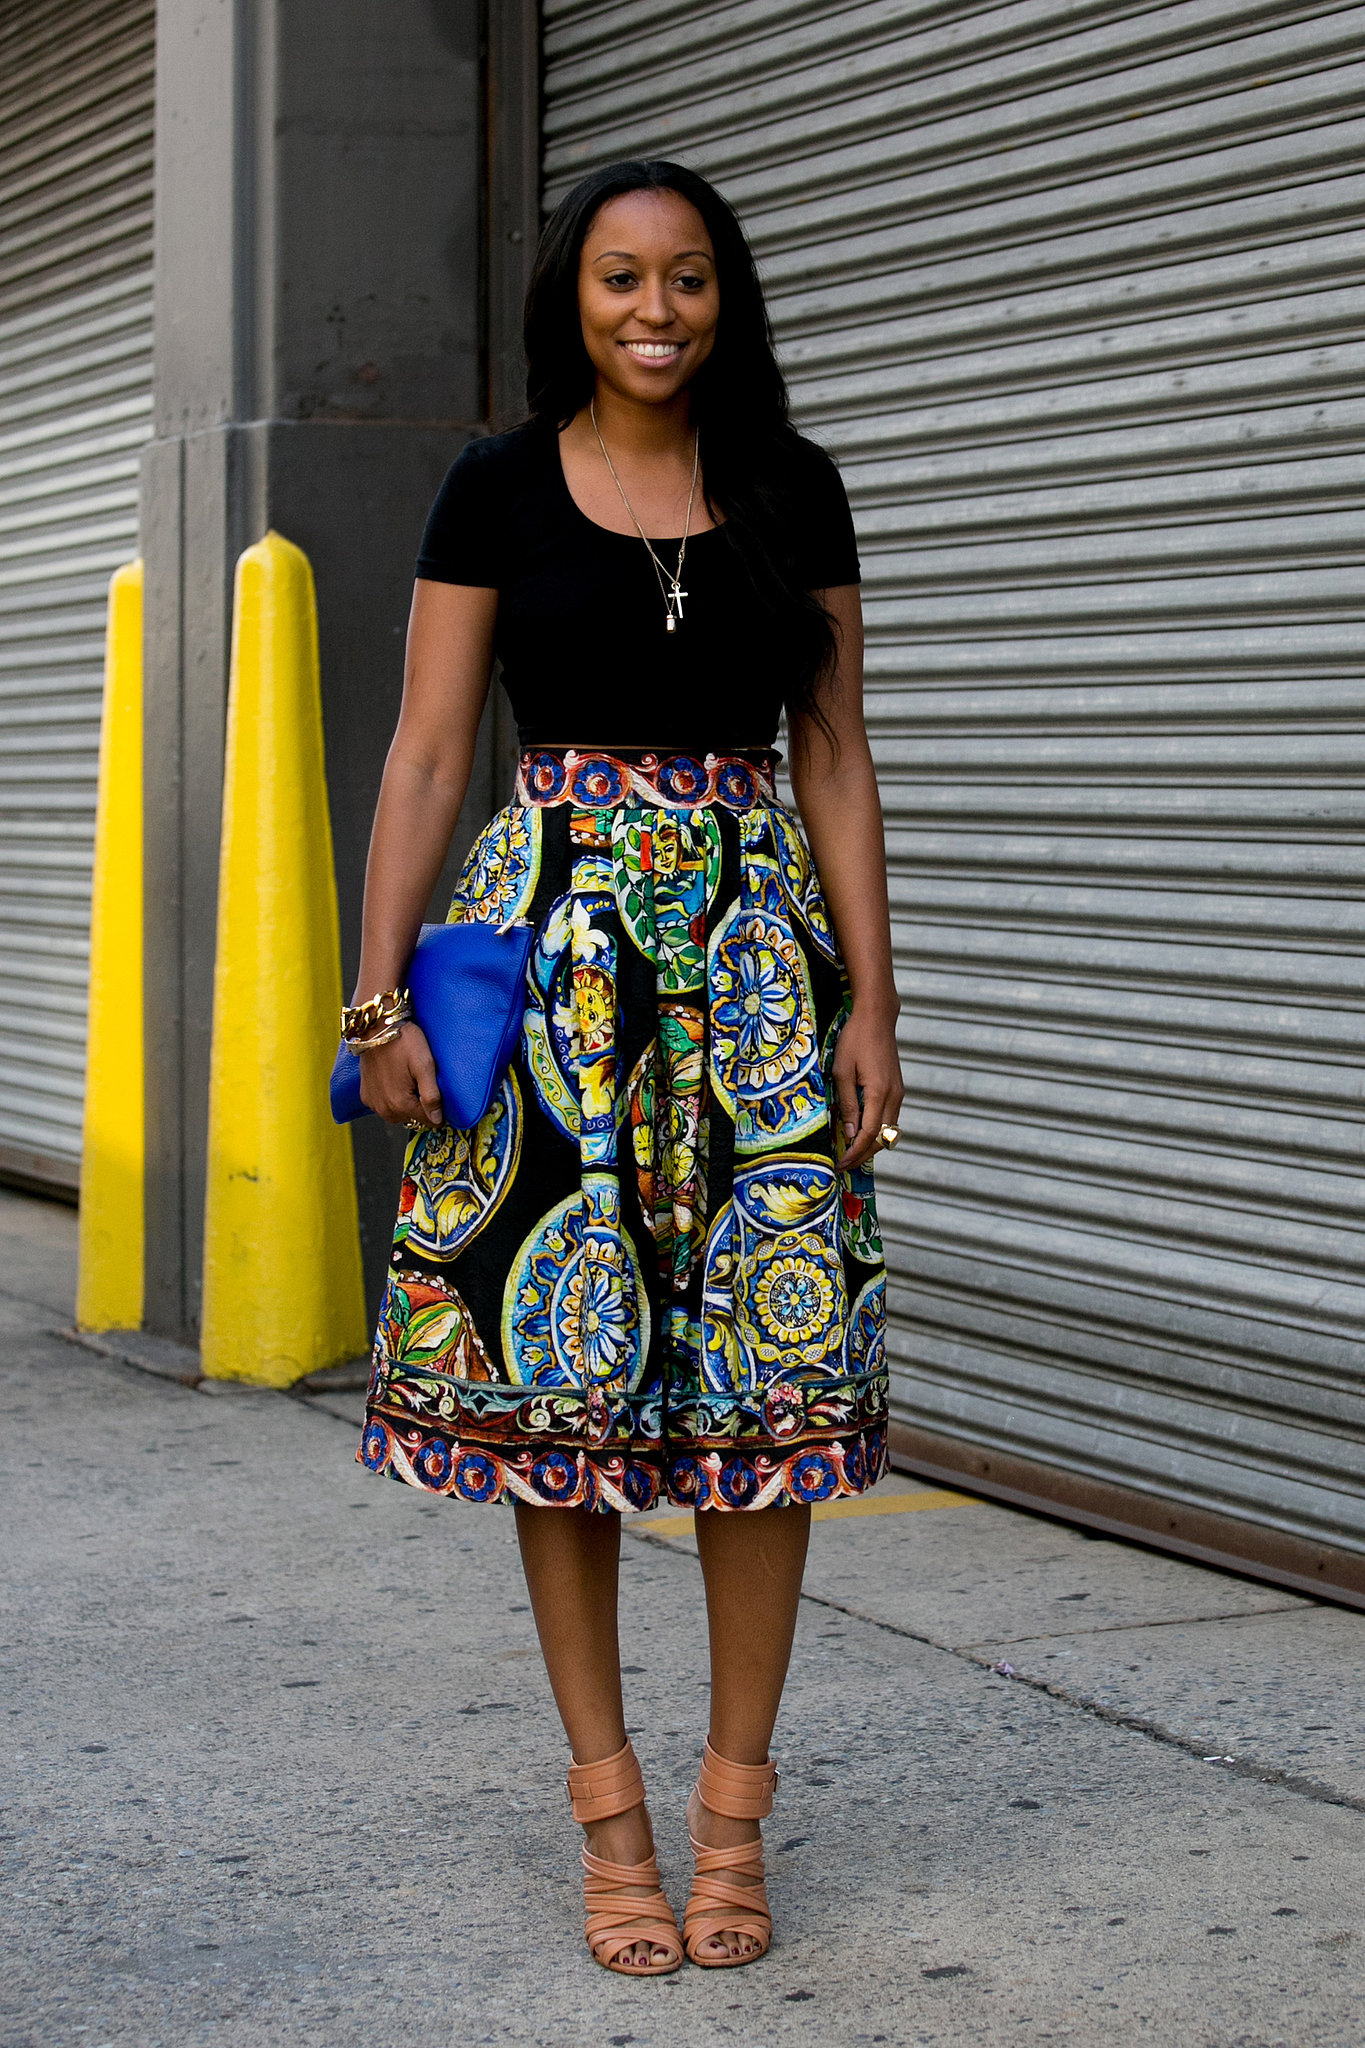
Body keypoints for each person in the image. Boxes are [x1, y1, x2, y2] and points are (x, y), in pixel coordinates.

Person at [347, 158, 903, 1976]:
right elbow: (430, 754)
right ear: (567, 300)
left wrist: (868, 1005)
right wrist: (380, 1004)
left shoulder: (788, 484)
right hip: (554, 963)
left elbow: (832, 755)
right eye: (616, 280)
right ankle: (610, 1815)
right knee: (555, 1407)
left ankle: (735, 1816)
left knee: (773, 1401)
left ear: (723, 298)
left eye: (683, 279)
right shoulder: (494, 486)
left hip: (748, 974)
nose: (652, 310)